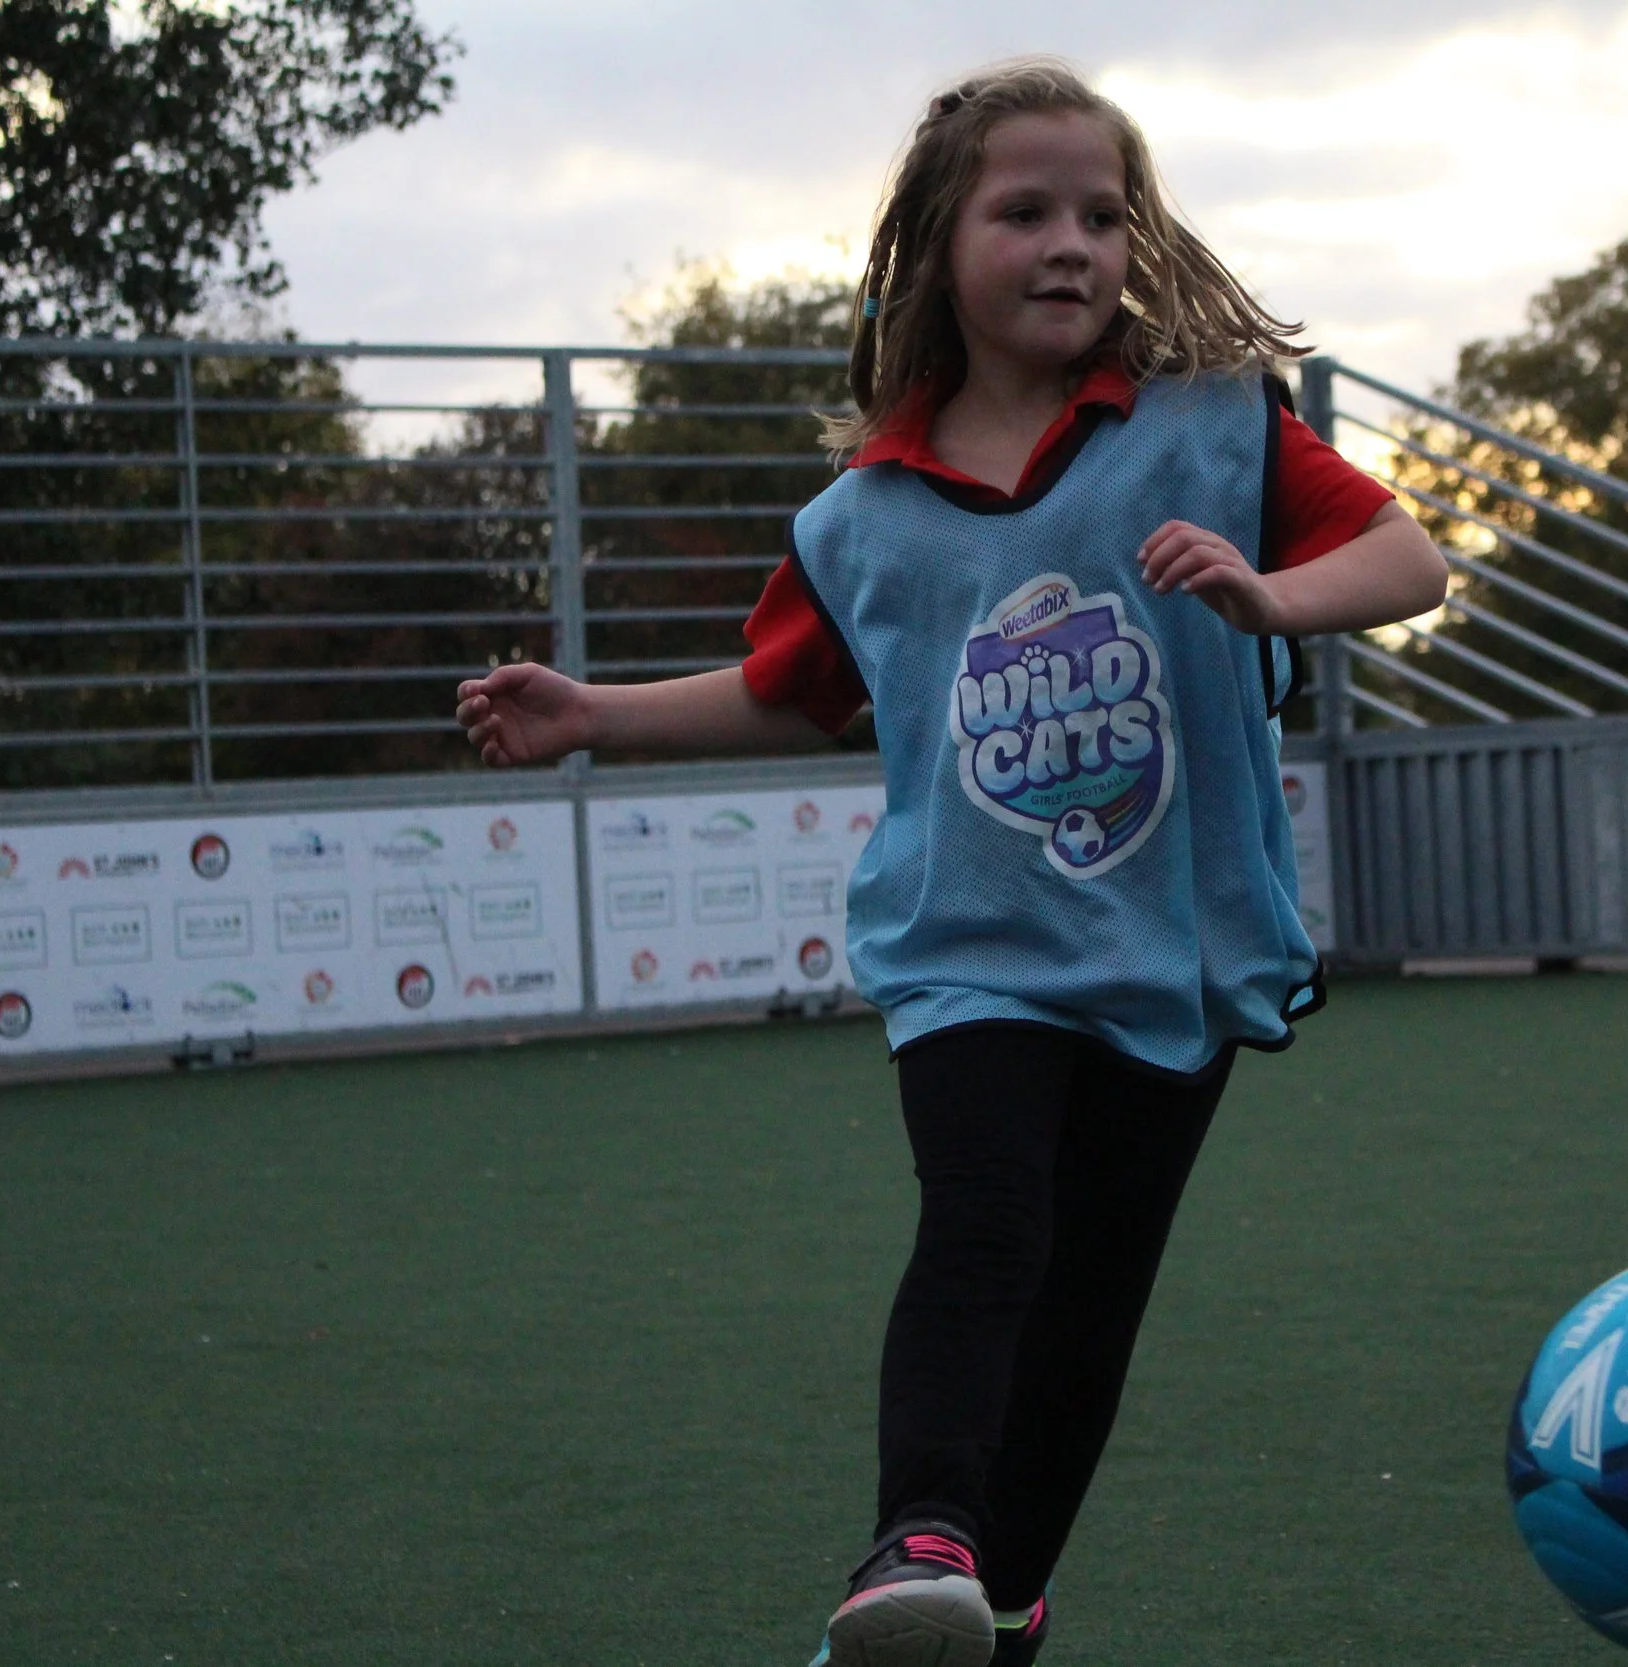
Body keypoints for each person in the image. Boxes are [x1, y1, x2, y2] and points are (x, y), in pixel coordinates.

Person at [454, 59, 1446, 1667]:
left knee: (1088, 1306)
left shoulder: (1211, 427)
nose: (1072, 244)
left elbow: (1410, 557)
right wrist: (594, 715)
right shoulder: (863, 519)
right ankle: (914, 1534)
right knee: (985, 1225)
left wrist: (1273, 596)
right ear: (938, 242)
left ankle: (993, 1603)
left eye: (1104, 215)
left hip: (1176, 956)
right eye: (1025, 210)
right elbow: (797, 691)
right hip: (968, 950)